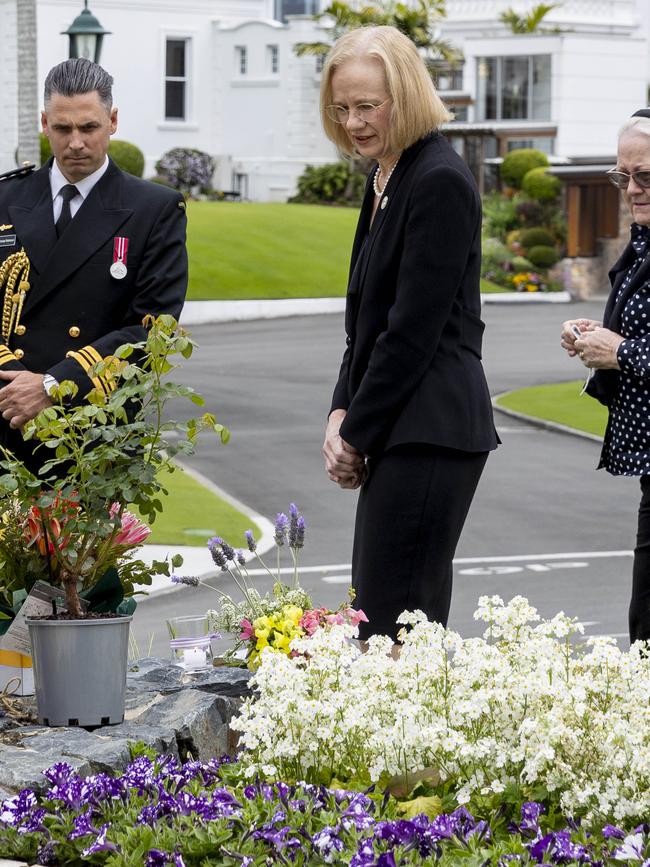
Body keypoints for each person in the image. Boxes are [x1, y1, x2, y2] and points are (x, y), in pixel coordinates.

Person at [320, 26, 499, 644]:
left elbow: (411, 335)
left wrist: (354, 432)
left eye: (367, 106)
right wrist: (340, 411)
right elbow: (364, 325)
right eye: (342, 108)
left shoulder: (438, 179)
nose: (353, 123)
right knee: (379, 618)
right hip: (401, 427)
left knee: (395, 630)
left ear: (407, 95)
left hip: (432, 429)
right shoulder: (385, 178)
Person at [0, 58, 187, 471]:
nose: (76, 143)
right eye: (63, 129)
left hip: (90, 434)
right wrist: (17, 385)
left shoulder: (153, 209)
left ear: (113, 121)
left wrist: (52, 385)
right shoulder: (6, 199)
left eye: (89, 128)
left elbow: (152, 326)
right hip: (5, 418)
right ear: (45, 123)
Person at [561, 108, 650, 646]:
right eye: (623, 176)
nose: (632, 189)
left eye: (645, 176)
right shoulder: (642, 242)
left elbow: (634, 347)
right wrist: (594, 336)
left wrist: (624, 352)